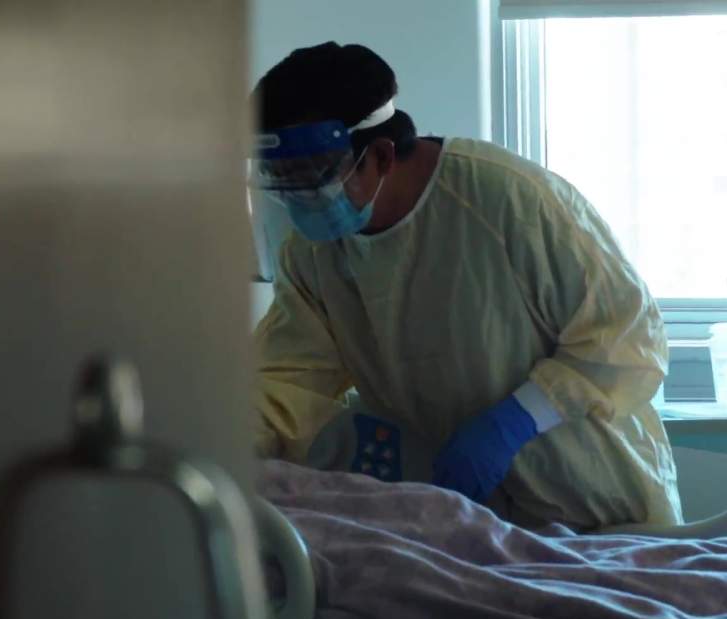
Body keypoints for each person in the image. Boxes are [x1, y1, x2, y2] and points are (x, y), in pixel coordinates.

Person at [250, 42, 681, 530]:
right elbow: (285, 380)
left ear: (382, 155)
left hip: (599, 513)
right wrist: (215, 443)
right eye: (280, 179)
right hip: (465, 527)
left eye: (312, 177)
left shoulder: (511, 202)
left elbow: (629, 342)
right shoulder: (312, 253)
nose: (299, 198)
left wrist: (517, 420)